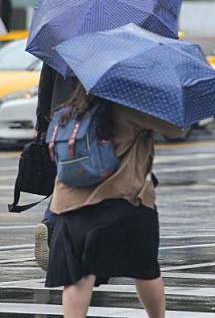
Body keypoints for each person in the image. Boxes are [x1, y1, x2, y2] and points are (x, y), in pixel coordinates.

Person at [45, 84, 185, 318]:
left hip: (69, 206)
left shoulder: (68, 111)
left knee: (77, 276)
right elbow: (177, 129)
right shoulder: (132, 108)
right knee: (145, 269)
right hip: (124, 202)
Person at [34, 63, 79, 271]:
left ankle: (50, 222)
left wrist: (42, 126)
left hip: (59, 122)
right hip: (91, 124)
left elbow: (45, 88)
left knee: (63, 178)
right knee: (92, 183)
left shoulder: (59, 40)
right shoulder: (109, 46)